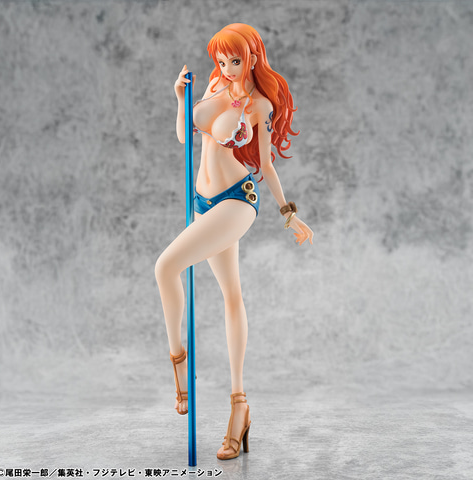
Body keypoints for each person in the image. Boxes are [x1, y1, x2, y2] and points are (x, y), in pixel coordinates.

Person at [155, 23, 313, 461]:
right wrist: (180, 99)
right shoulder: (212, 85)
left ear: (252, 59)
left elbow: (265, 164)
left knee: (165, 267)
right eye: (221, 60)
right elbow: (186, 136)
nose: (226, 68)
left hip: (236, 201)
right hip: (202, 204)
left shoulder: (259, 104)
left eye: (235, 61)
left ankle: (179, 364)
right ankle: (240, 407)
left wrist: (289, 213)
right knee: (231, 295)